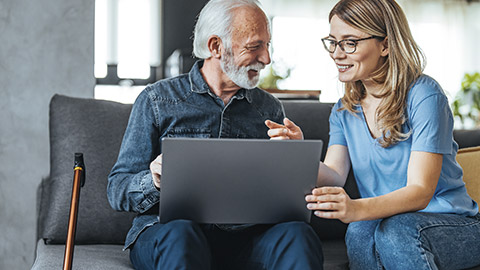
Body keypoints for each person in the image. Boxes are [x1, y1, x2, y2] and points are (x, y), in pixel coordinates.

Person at [107, 0, 323, 269]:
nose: (266, 58)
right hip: (171, 232)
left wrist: (295, 161)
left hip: (246, 237)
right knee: (180, 235)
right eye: (255, 46)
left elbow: (289, 198)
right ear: (215, 47)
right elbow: (117, 190)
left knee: (298, 236)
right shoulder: (157, 100)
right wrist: (154, 180)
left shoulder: (269, 108)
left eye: (268, 46)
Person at [266, 0, 480, 269]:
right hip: (388, 222)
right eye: (332, 41)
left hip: (453, 224)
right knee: (359, 231)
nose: (336, 53)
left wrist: (356, 208)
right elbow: (334, 174)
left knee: (395, 229)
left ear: (386, 45)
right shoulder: (344, 111)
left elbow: (420, 192)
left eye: (350, 42)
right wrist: (298, 152)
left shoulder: (424, 95)